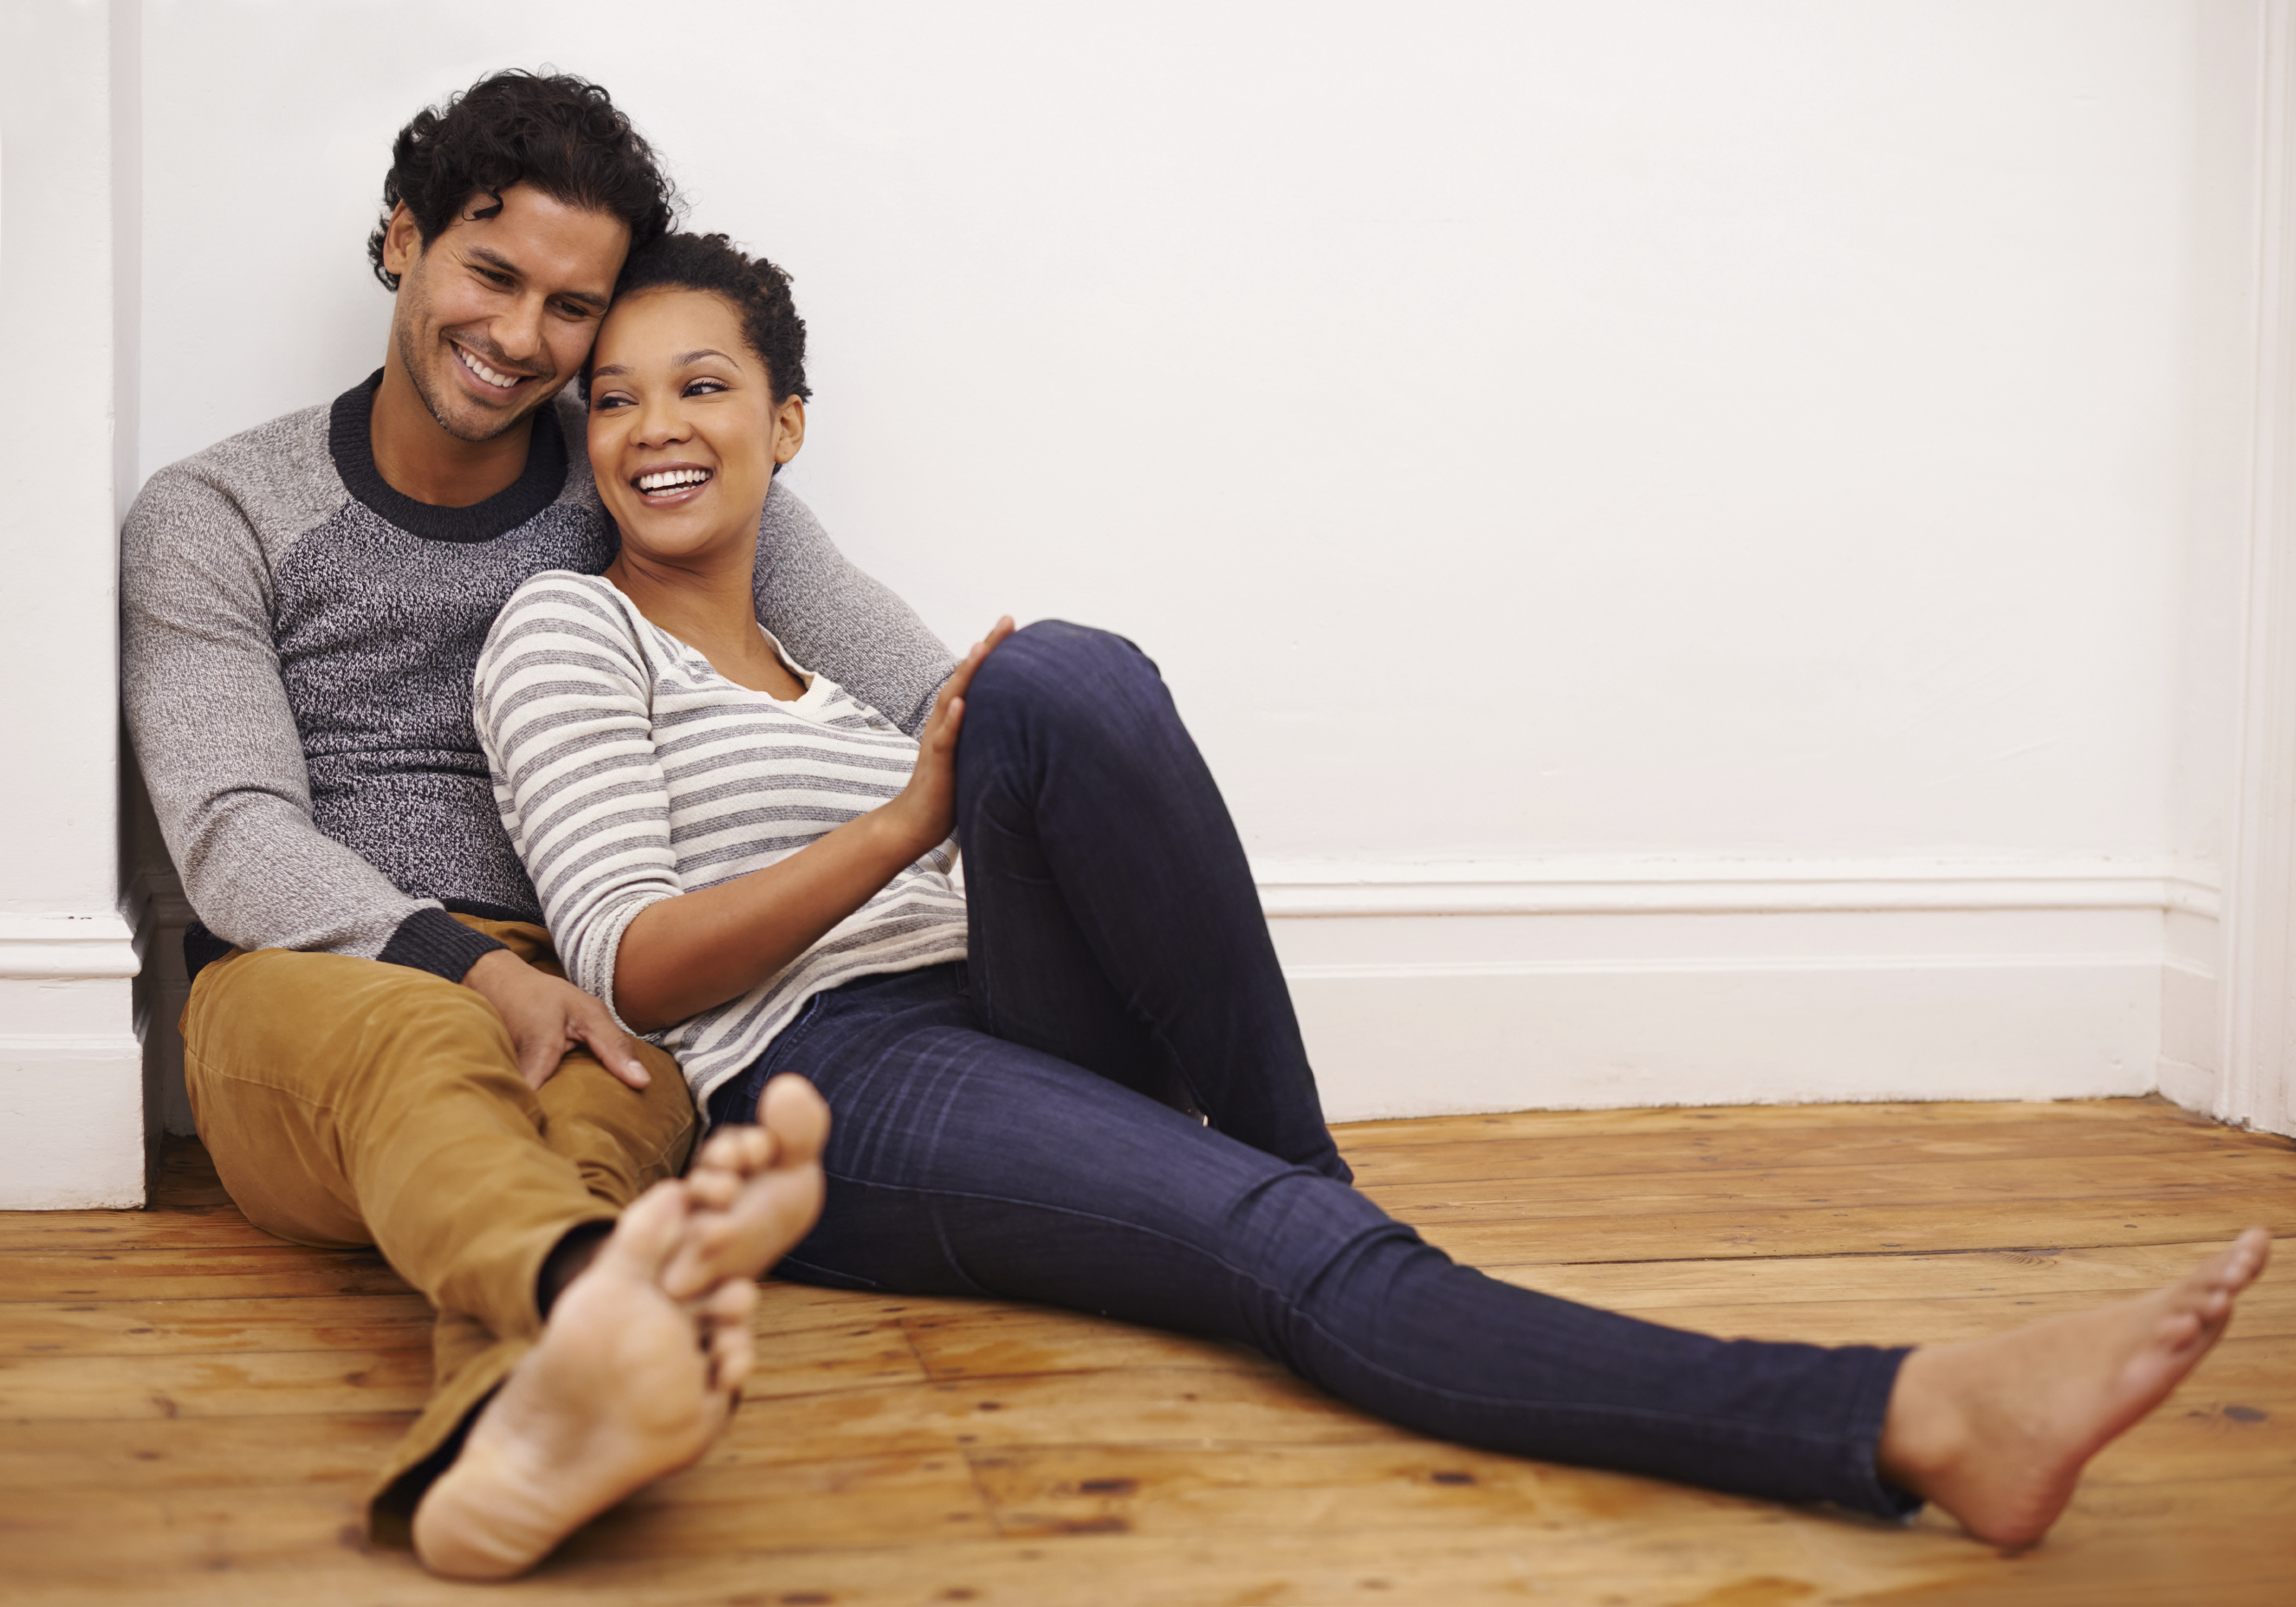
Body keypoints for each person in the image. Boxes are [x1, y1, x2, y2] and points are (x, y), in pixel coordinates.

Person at [471, 229, 2275, 1570]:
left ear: (784, 421)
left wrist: (945, 777)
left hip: (994, 1000)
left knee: (1056, 676)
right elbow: (628, 961)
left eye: (698, 384)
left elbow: (1030, 763)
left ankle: (1300, 1195)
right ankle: (1903, 1412)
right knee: (1274, 1242)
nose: (651, 428)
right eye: (611, 398)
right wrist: (899, 824)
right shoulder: (563, 629)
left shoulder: (839, 661)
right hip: (840, 1084)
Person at [119, 72, 949, 1579]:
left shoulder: (647, 468)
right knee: (433, 1050)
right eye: (490, 274)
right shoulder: (218, 513)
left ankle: (532, 1414)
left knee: (589, 1128)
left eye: (573, 310)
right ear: (402, 243)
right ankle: (592, 1305)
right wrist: (472, 967)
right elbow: (231, 832)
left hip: (607, 978)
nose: (520, 340)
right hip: (310, 987)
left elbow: (920, 692)